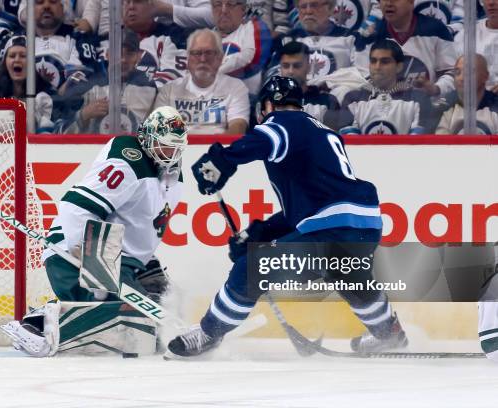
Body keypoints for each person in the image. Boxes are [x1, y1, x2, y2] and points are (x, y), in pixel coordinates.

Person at [165, 76, 407, 359]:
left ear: (268, 105)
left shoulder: (283, 121)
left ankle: (208, 333)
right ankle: (388, 333)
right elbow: (314, 206)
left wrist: (224, 159)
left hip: (330, 228)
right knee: (349, 275)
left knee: (251, 268)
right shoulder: (319, 131)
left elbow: (265, 139)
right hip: (364, 224)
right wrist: (263, 232)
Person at [0, 106, 188, 357]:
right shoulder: (128, 159)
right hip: (77, 254)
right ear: (148, 139)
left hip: (122, 261)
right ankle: (39, 323)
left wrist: (148, 264)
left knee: (150, 332)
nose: (171, 154)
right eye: (166, 146)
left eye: (176, 148)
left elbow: (142, 227)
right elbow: (77, 207)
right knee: (128, 319)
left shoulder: (173, 177)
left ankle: (58, 318)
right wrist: (87, 253)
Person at [354, 0, 457, 99]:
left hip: (428, 111)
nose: (389, 3)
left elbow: (453, 73)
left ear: (411, 1)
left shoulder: (436, 29)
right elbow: (360, 75)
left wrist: (436, 89)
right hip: (381, 108)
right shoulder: (368, 34)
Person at [153, 28, 249, 134]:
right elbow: (159, 132)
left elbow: (237, 129)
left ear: (220, 58)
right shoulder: (168, 91)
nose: (203, 59)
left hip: (219, 149)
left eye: (209, 53)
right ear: (188, 59)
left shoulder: (236, 87)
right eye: (197, 53)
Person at [65, 29, 157, 134]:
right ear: (108, 54)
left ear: (138, 57)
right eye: (117, 53)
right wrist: (83, 115)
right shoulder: (86, 84)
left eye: (129, 53)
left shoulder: (150, 87)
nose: (123, 59)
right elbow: (57, 131)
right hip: (92, 149)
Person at [338, 39, 434, 134]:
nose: (377, 67)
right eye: (373, 61)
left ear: (399, 67)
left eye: (385, 62)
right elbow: (350, 142)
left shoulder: (418, 98)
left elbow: (419, 143)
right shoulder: (352, 98)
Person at [0, 35, 58, 132]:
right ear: (5, 62)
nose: (17, 60)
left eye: (23, 56)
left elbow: (50, 133)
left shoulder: (45, 96)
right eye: (12, 56)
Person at [271, 40, 340, 129]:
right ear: (280, 67)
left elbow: (335, 136)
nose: (290, 71)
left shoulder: (327, 101)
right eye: (285, 66)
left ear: (308, 66)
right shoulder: (270, 101)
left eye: (297, 66)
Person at [212, 0, 273, 97]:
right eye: (218, 4)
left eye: (230, 4)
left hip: (245, 99)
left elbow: (251, 58)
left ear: (243, 9)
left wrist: (213, 73)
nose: (223, 10)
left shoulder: (253, 27)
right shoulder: (204, 38)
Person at [435, 54, 498, 135]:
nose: (461, 78)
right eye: (457, 72)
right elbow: (439, 144)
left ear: (485, 76)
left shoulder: (495, 106)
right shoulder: (446, 105)